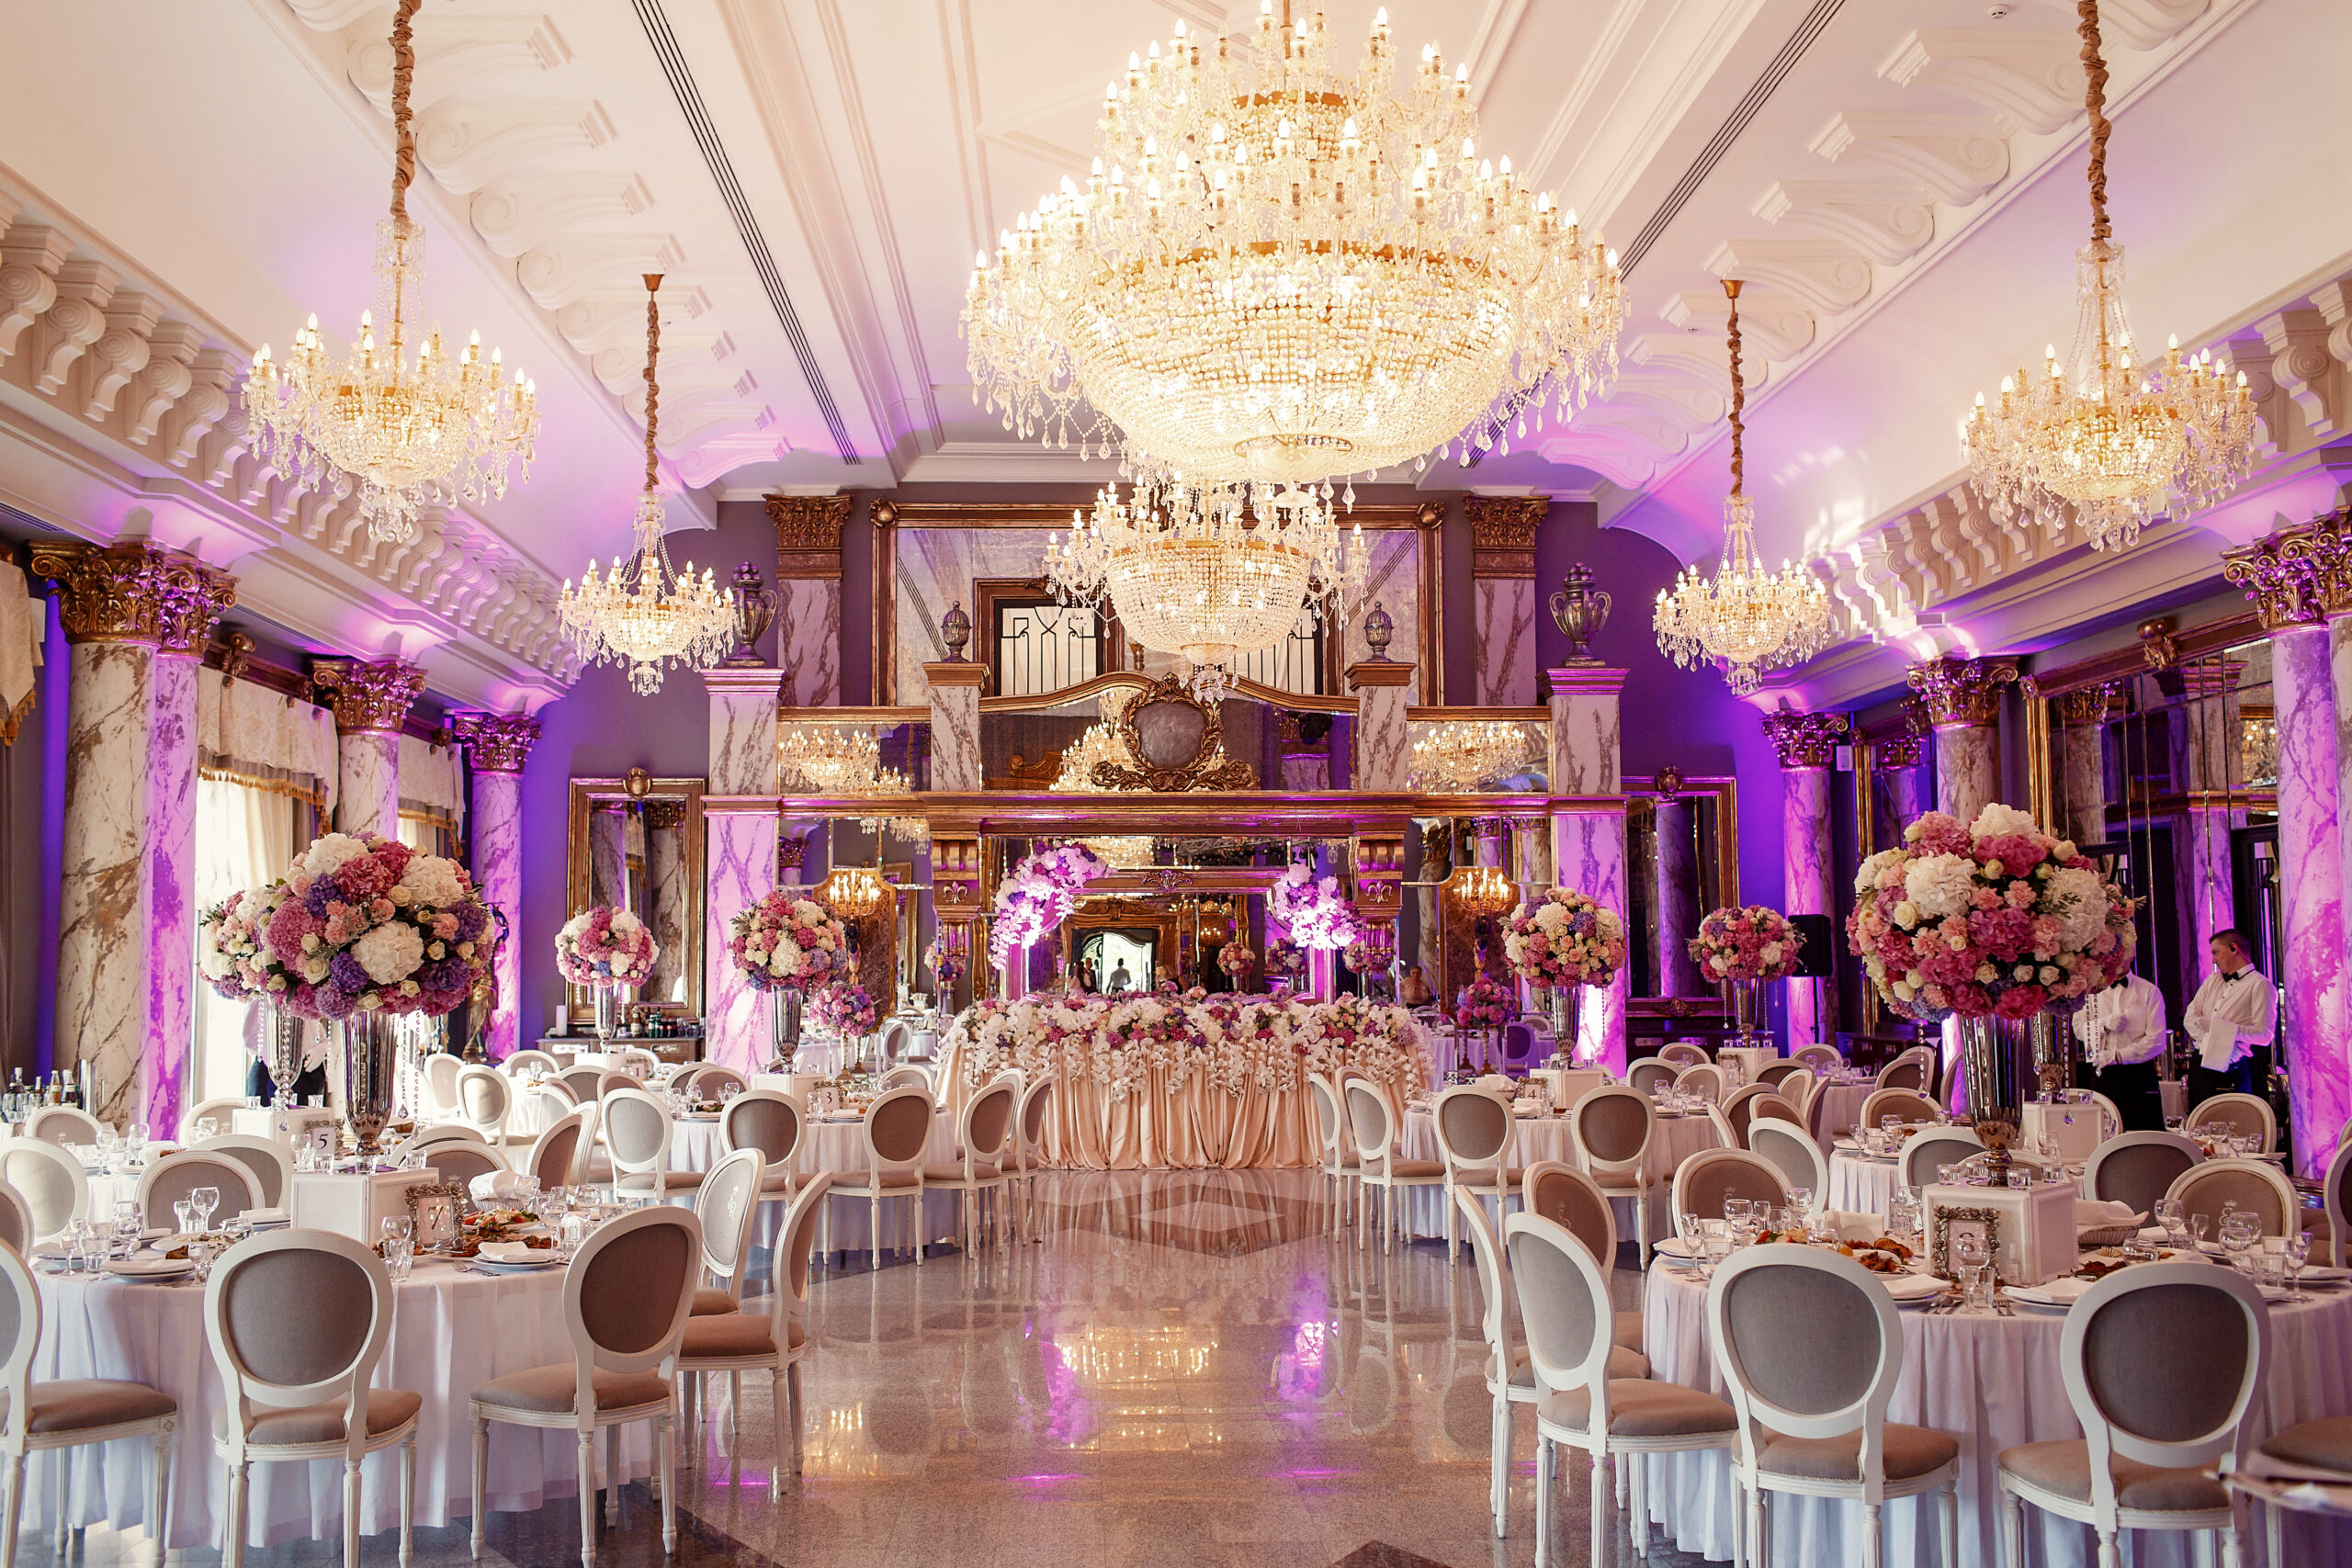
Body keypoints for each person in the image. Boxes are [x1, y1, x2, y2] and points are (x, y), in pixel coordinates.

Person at [2182, 929, 2277, 1108]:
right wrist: (2211, 1038)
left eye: (2216, 952)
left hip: (2231, 1067)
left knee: (2231, 1126)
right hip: (2199, 1064)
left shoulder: (2260, 985)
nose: (2213, 960)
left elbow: (2264, 1035)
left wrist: (2219, 1029)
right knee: (2196, 1127)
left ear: (2234, 948)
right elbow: (2190, 1018)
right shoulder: (2212, 981)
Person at [2072, 969, 2165, 1130]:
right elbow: (2078, 1028)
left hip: (2139, 1075)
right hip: (2103, 1074)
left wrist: (2118, 1055)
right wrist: (2104, 1024)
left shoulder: (2149, 991)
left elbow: (2156, 1040)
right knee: (2104, 1132)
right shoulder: (2091, 991)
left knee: (2145, 1134)